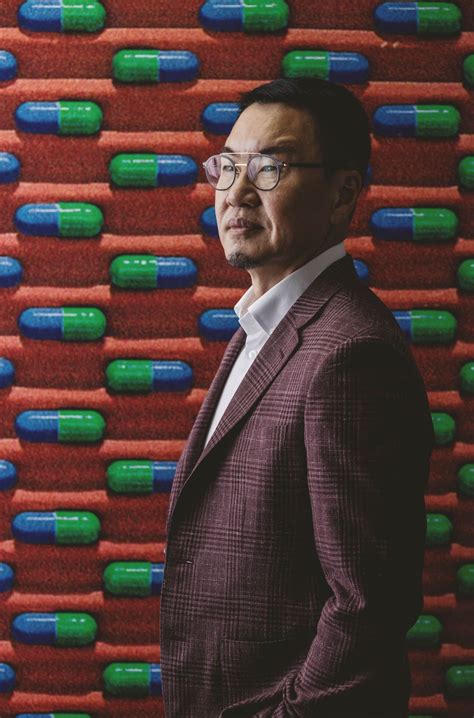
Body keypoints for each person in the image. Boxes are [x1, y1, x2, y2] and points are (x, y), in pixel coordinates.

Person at [159, 77, 435, 717]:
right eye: (228, 167)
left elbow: (369, 604)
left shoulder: (351, 353)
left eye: (269, 168)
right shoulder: (263, 325)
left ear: (343, 194)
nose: (236, 193)